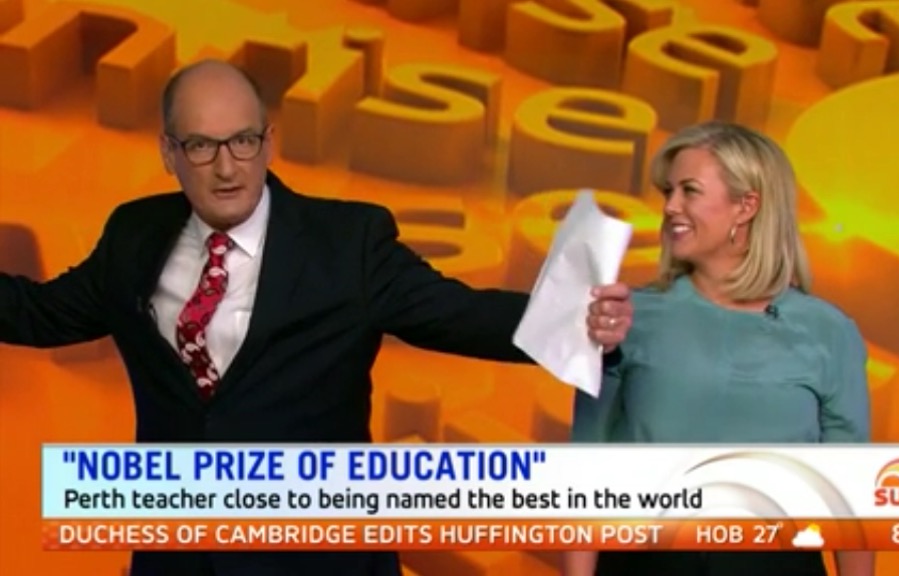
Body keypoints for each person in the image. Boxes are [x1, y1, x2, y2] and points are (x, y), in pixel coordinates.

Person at [0, 59, 634, 576]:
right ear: (169, 152)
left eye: (244, 141)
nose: (227, 167)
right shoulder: (134, 234)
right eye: (201, 146)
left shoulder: (346, 242)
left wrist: (580, 323)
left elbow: (460, 314)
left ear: (269, 141)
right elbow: (38, 314)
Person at [565, 121, 874, 576]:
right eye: (668, 191)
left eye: (689, 190)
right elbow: (588, 470)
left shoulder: (828, 332)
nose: (670, 206)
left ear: (746, 206)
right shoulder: (626, 318)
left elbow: (849, 497)